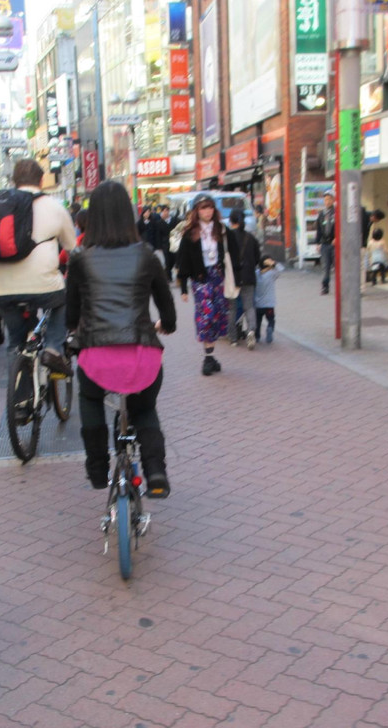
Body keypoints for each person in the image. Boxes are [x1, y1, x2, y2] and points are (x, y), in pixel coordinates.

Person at [66, 181, 177, 497]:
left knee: (89, 398)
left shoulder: (80, 258)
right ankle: (156, 471)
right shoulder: (146, 255)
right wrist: (166, 325)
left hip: (96, 353)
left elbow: (72, 314)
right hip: (141, 352)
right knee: (144, 408)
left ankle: (98, 467)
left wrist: (74, 330)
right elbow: (167, 310)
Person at [0, 159, 77, 374]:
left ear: (13, 180)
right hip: (43, 286)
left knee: (15, 344)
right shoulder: (54, 207)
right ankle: (53, 349)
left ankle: (17, 403)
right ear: (41, 180)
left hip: (0, 288)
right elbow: (73, 248)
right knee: (63, 301)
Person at [176, 193, 236, 376]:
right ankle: (208, 358)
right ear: (196, 211)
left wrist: (238, 278)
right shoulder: (189, 233)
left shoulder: (222, 230)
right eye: (203, 208)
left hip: (218, 277)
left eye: (210, 207)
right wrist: (184, 287)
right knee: (206, 315)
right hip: (200, 278)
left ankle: (211, 355)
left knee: (217, 315)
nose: (207, 211)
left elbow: (234, 254)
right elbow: (183, 260)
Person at [226, 208, 260, 350]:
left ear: (231, 221)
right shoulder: (251, 238)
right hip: (249, 276)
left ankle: (233, 338)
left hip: (233, 277)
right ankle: (251, 330)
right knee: (249, 306)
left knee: (232, 308)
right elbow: (257, 257)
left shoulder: (228, 238)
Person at [253, 256, 282, 344]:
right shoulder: (272, 274)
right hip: (269, 304)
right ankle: (270, 328)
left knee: (258, 321)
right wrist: (274, 263)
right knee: (271, 319)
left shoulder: (256, 274)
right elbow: (281, 269)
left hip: (258, 304)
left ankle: (257, 336)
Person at [314, 190, 336, 295]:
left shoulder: (336, 213)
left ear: (333, 200)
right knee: (325, 266)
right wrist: (317, 243)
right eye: (325, 199)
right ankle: (325, 286)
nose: (327, 201)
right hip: (325, 243)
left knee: (337, 266)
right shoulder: (321, 214)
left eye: (329, 199)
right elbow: (318, 229)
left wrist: (337, 238)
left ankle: (340, 286)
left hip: (334, 243)